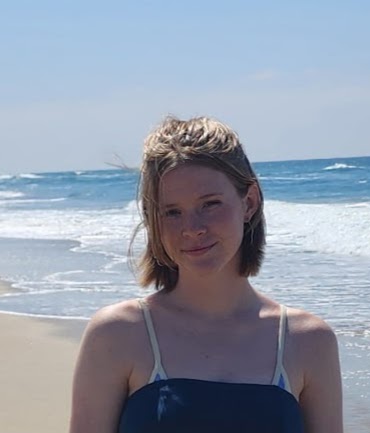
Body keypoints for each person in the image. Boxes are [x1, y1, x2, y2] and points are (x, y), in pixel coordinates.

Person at [69, 116, 343, 433]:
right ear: (153, 220)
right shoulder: (119, 333)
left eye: (210, 204)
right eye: (172, 212)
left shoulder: (307, 340)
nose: (192, 228)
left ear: (249, 202)